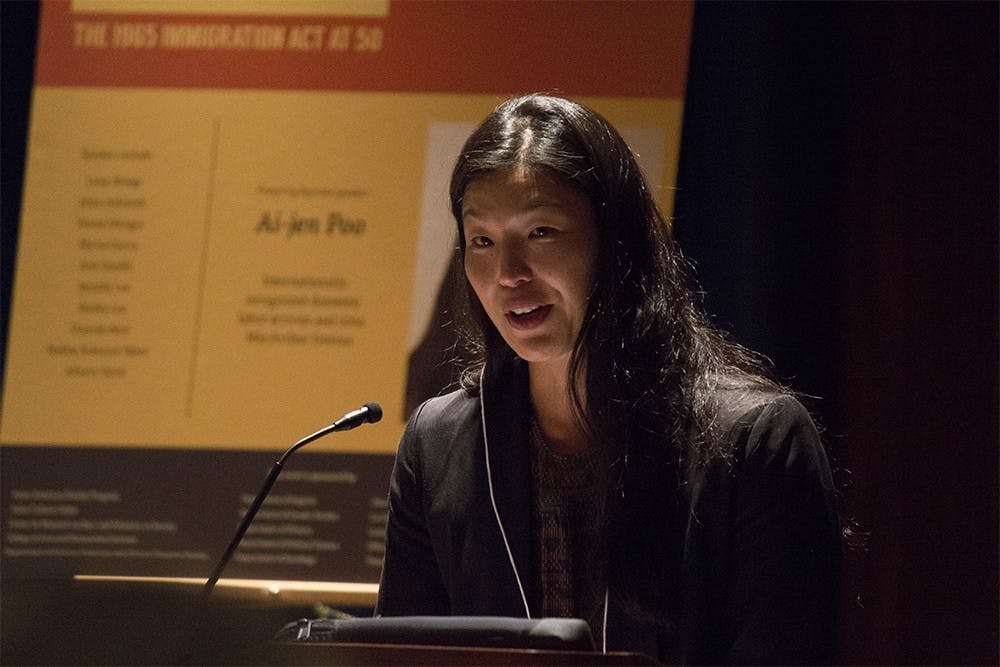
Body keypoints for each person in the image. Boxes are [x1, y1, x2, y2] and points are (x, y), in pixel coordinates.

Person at [375, 93, 841, 664]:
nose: (508, 274)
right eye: (482, 241)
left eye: (541, 232)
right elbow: (398, 656)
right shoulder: (438, 443)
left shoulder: (755, 441)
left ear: (615, 242)